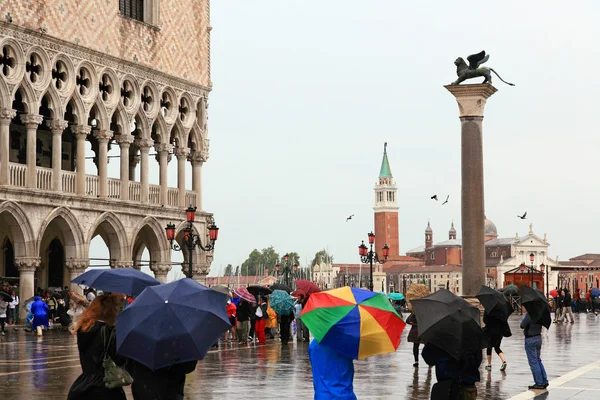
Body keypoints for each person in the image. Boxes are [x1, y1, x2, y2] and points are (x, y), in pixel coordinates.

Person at [67, 294, 127, 400]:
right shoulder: (110, 332)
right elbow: (119, 359)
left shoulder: (83, 329)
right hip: (105, 388)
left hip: (82, 386)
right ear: (111, 311)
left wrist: (86, 303)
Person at [127, 359, 197, 400]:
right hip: (170, 392)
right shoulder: (179, 339)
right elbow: (189, 367)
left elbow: (129, 367)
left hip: (143, 391)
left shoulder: (137, 339)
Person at [520, 312, 548, 390]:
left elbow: (522, 325)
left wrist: (523, 318)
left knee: (533, 362)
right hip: (538, 337)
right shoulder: (540, 313)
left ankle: (539, 383)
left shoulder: (530, 313)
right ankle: (544, 380)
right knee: (538, 360)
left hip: (530, 339)